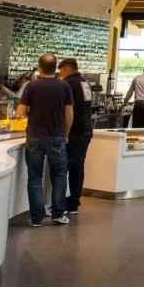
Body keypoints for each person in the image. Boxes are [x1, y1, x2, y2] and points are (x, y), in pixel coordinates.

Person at [17, 54, 73, 227]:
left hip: (34, 137)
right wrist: (65, 133)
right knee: (59, 176)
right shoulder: (64, 86)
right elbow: (69, 113)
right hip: (56, 136)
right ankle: (57, 214)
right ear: (56, 68)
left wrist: (31, 115)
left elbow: (20, 112)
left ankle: (36, 218)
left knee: (34, 178)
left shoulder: (31, 86)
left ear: (40, 68)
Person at [58, 58, 93, 216]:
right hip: (86, 129)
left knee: (65, 168)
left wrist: (65, 132)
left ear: (65, 70)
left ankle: (61, 203)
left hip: (75, 131)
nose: (60, 75)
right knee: (78, 167)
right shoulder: (84, 82)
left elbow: (67, 110)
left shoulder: (68, 84)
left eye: (60, 72)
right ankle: (73, 203)